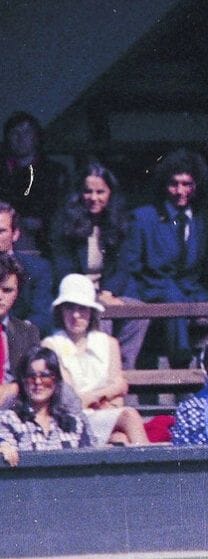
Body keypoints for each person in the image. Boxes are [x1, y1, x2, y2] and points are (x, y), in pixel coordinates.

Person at [119, 148, 208, 366]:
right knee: (172, 295)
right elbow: (130, 267)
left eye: (187, 184)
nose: (180, 191)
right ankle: (181, 360)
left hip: (192, 291)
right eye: (174, 184)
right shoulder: (144, 218)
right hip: (152, 289)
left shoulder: (203, 221)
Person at [49, 162, 149, 370]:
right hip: (77, 291)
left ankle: (122, 368)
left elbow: (123, 265)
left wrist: (109, 292)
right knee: (101, 315)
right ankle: (97, 370)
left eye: (100, 192)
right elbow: (64, 267)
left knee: (139, 312)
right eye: (88, 191)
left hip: (108, 291)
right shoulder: (63, 222)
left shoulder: (121, 222)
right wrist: (92, 295)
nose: (94, 198)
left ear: (110, 193)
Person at [41, 273, 151, 446]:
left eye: (82, 308)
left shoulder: (109, 344)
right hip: (69, 418)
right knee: (130, 416)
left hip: (106, 415)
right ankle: (151, 467)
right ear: (60, 311)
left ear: (91, 312)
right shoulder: (51, 346)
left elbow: (119, 398)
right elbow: (71, 401)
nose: (76, 315)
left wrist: (110, 404)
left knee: (121, 439)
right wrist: (106, 392)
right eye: (70, 308)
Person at [0, 347, 93, 467]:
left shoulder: (75, 424)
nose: (38, 382)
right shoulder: (7, 421)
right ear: (23, 381)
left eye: (45, 375)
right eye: (31, 376)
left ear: (56, 379)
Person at [0, 112, 68, 254]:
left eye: (26, 132)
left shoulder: (55, 172)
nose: (21, 137)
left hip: (43, 243)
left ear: (36, 137)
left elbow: (63, 211)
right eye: (15, 132)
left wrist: (43, 222)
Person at [0, 201, 54, 335]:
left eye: (1, 231)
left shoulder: (37, 269)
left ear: (15, 234)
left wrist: (14, 335)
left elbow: (42, 316)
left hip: (20, 341)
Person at [0, 253, 42, 409]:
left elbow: (36, 378)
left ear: (16, 293)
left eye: (7, 290)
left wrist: (14, 388)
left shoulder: (28, 332)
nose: (0, 296)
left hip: (16, 411)